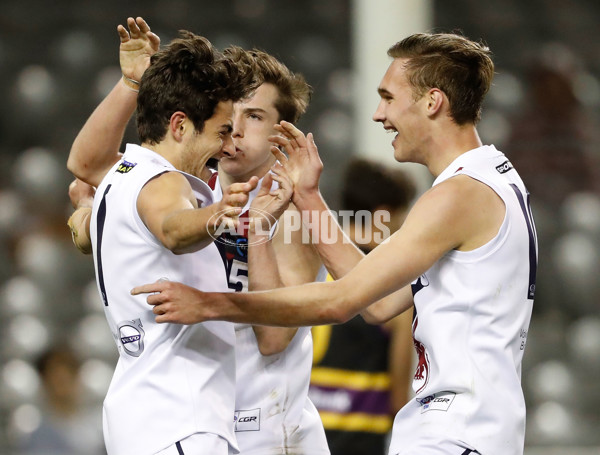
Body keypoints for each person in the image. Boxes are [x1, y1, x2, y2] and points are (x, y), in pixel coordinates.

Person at [133, 32, 538, 455]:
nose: (380, 114)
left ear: (432, 101)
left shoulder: (460, 194)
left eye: (388, 97)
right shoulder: (490, 178)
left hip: (455, 432)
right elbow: (378, 303)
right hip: (469, 429)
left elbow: (340, 301)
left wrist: (209, 303)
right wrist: (309, 196)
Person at [67, 17, 329, 455]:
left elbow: (274, 338)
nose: (236, 132)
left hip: (267, 430)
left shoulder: (294, 214)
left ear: (284, 134)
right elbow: (90, 164)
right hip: (196, 418)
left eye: (255, 117)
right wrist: (133, 83)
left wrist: (88, 221)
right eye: (228, 120)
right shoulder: (193, 190)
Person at [309, 158, 416, 455]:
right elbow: (398, 399)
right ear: (384, 214)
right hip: (360, 439)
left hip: (303, 431)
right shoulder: (392, 285)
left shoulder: (308, 264)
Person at [15, 344, 104, 455]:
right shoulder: (35, 435)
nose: (62, 385)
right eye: (57, 379)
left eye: (68, 375)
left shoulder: (99, 430)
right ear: (45, 381)